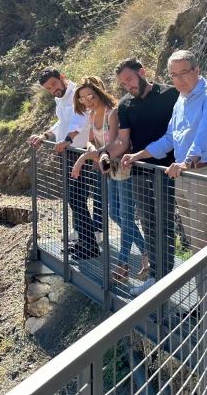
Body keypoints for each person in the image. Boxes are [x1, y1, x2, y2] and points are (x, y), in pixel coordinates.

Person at [121, 50, 207, 302]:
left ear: (197, 70)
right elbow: (170, 139)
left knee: (202, 241)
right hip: (184, 175)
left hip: (204, 173)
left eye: (184, 72)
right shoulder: (180, 101)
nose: (179, 79)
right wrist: (138, 155)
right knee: (194, 241)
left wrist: (186, 162)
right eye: (173, 74)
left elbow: (206, 136)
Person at [99, 58, 179, 296]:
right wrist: (105, 154)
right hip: (141, 171)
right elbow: (123, 141)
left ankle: (168, 275)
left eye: (130, 79)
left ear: (142, 73)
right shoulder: (125, 105)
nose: (128, 86)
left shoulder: (171, 94)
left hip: (170, 170)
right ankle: (156, 276)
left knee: (166, 223)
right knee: (148, 222)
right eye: (124, 84)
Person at [70, 77, 148, 282]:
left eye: (91, 96)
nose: (88, 102)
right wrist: (90, 152)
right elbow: (90, 141)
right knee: (114, 213)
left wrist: (85, 158)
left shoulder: (112, 113)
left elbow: (114, 146)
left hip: (121, 167)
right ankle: (148, 253)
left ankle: (122, 265)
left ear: (99, 92)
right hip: (107, 169)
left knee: (125, 215)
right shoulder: (91, 115)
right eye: (83, 99)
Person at [27, 67, 96, 258]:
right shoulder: (60, 98)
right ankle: (83, 241)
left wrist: (67, 139)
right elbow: (62, 122)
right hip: (67, 154)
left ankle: (90, 246)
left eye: (54, 84)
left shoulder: (77, 94)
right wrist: (46, 135)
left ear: (62, 78)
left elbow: (79, 120)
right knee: (74, 200)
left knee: (76, 199)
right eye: (49, 89)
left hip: (80, 154)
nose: (53, 90)